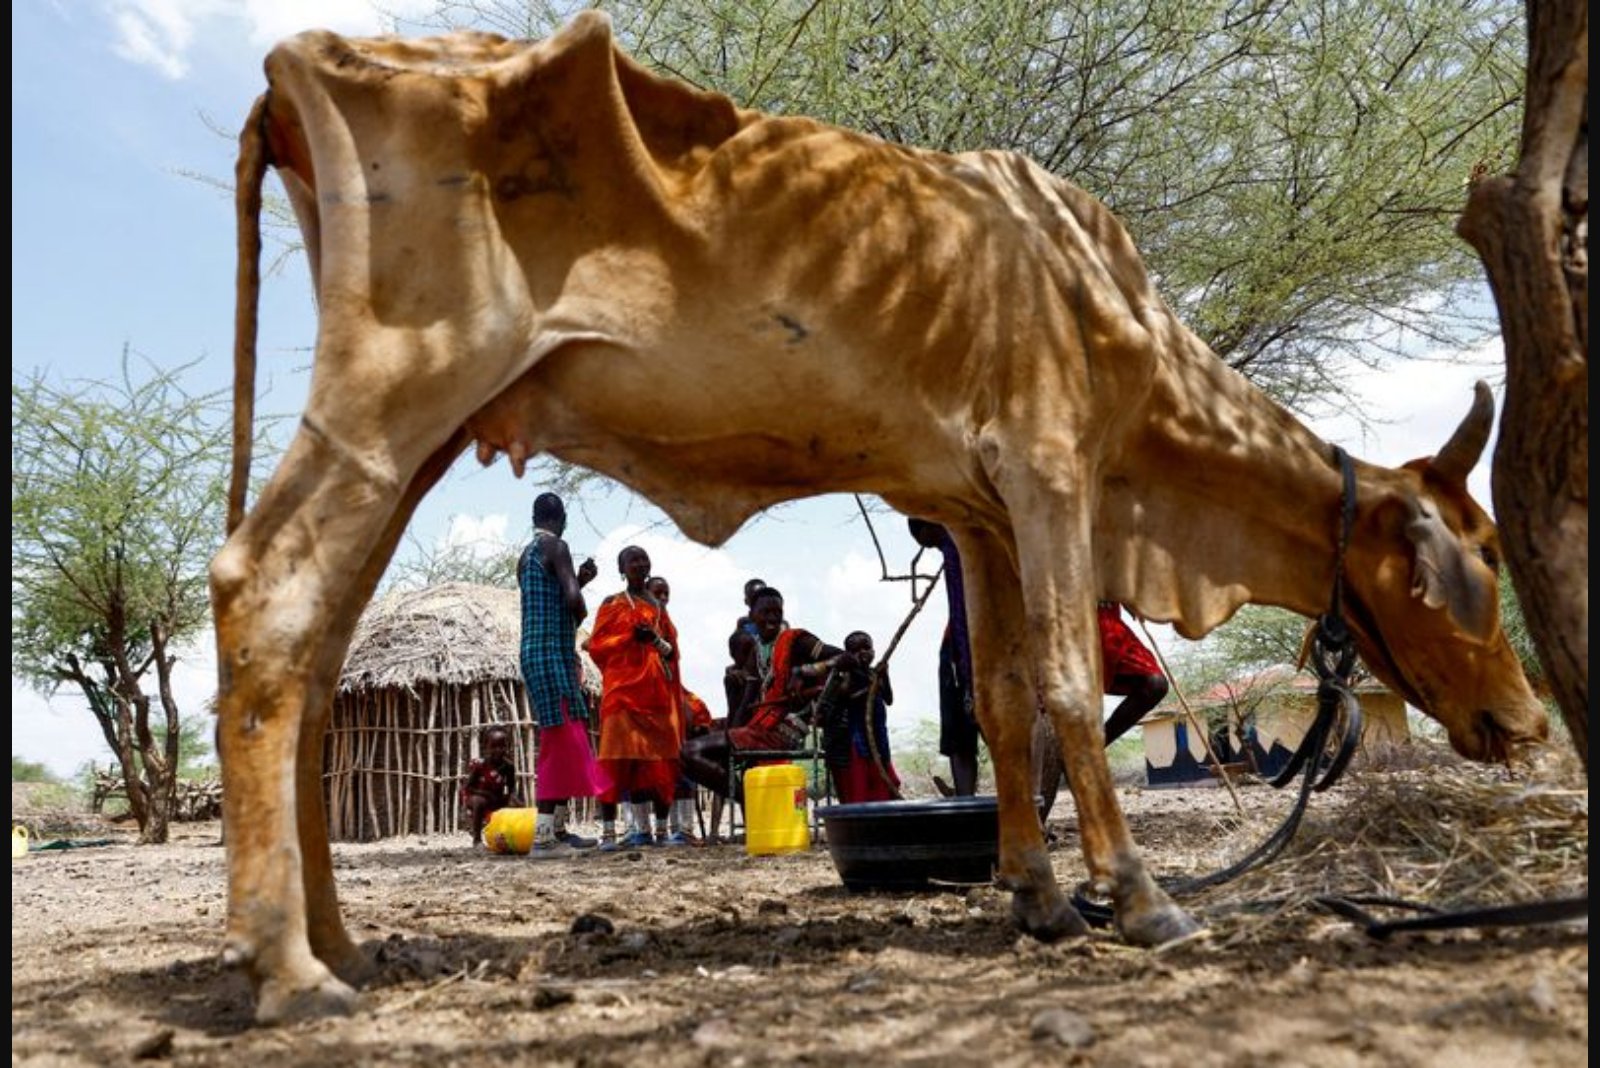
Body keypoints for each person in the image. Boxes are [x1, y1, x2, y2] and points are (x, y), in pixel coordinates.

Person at [680, 586, 847, 800]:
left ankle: (749, 804)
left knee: (690, 752)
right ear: (751, 616)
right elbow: (744, 708)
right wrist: (731, 695)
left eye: (777, 612)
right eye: (765, 613)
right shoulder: (756, 651)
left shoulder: (796, 641)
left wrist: (803, 671)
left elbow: (844, 658)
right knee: (690, 744)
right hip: (759, 727)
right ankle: (752, 803)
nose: (772, 618)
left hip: (783, 731)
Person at [518, 491, 607, 859]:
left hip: (537, 653)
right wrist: (580, 592)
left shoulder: (526, 556)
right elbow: (572, 602)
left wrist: (578, 580)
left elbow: (552, 600)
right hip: (551, 654)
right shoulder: (557, 547)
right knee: (562, 739)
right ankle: (543, 839)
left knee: (564, 735)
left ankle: (557, 829)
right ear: (562, 517)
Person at [1036, 601, 1169, 821]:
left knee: (1155, 684)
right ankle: (1037, 823)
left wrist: (1133, 599)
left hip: (1109, 627)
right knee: (1063, 721)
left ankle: (1091, 750)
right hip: (1067, 626)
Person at [588, 547, 685, 849]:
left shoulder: (658, 606)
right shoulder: (612, 604)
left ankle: (653, 831)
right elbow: (597, 646)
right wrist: (630, 637)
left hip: (655, 696)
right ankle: (607, 833)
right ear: (622, 568)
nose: (640, 564)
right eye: (633, 560)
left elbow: (672, 652)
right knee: (614, 760)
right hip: (621, 695)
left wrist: (653, 640)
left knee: (656, 763)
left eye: (644, 559)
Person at [907, 517, 981, 796]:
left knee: (965, 729)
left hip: (965, 649)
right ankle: (966, 799)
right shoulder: (968, 539)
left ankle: (966, 798)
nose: (927, 547)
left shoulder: (955, 546)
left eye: (923, 538)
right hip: (966, 646)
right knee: (963, 732)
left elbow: (961, 612)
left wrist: (966, 666)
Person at [648, 574, 709, 845]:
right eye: (657, 593)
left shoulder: (668, 627)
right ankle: (644, 830)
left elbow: (672, 669)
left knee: (680, 763)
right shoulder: (638, 622)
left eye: (666, 594)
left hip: (670, 697)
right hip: (646, 702)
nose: (662, 599)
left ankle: (683, 829)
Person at [822, 631, 902, 804]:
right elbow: (844, 696)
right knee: (860, 785)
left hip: (879, 739)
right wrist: (868, 688)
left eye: (868, 648)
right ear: (848, 655)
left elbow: (888, 699)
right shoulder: (845, 675)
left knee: (884, 780)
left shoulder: (875, 674)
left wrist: (884, 676)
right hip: (858, 739)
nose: (864, 653)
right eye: (857, 650)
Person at [459, 725, 522, 847]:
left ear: (507, 747)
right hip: (476, 797)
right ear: (486, 747)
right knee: (479, 801)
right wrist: (486, 794)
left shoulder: (508, 767)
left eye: (502, 746)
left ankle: (513, 837)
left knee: (516, 804)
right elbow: (468, 787)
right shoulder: (480, 766)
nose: (498, 750)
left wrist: (514, 799)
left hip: (496, 798)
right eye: (494, 746)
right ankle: (477, 840)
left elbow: (511, 788)